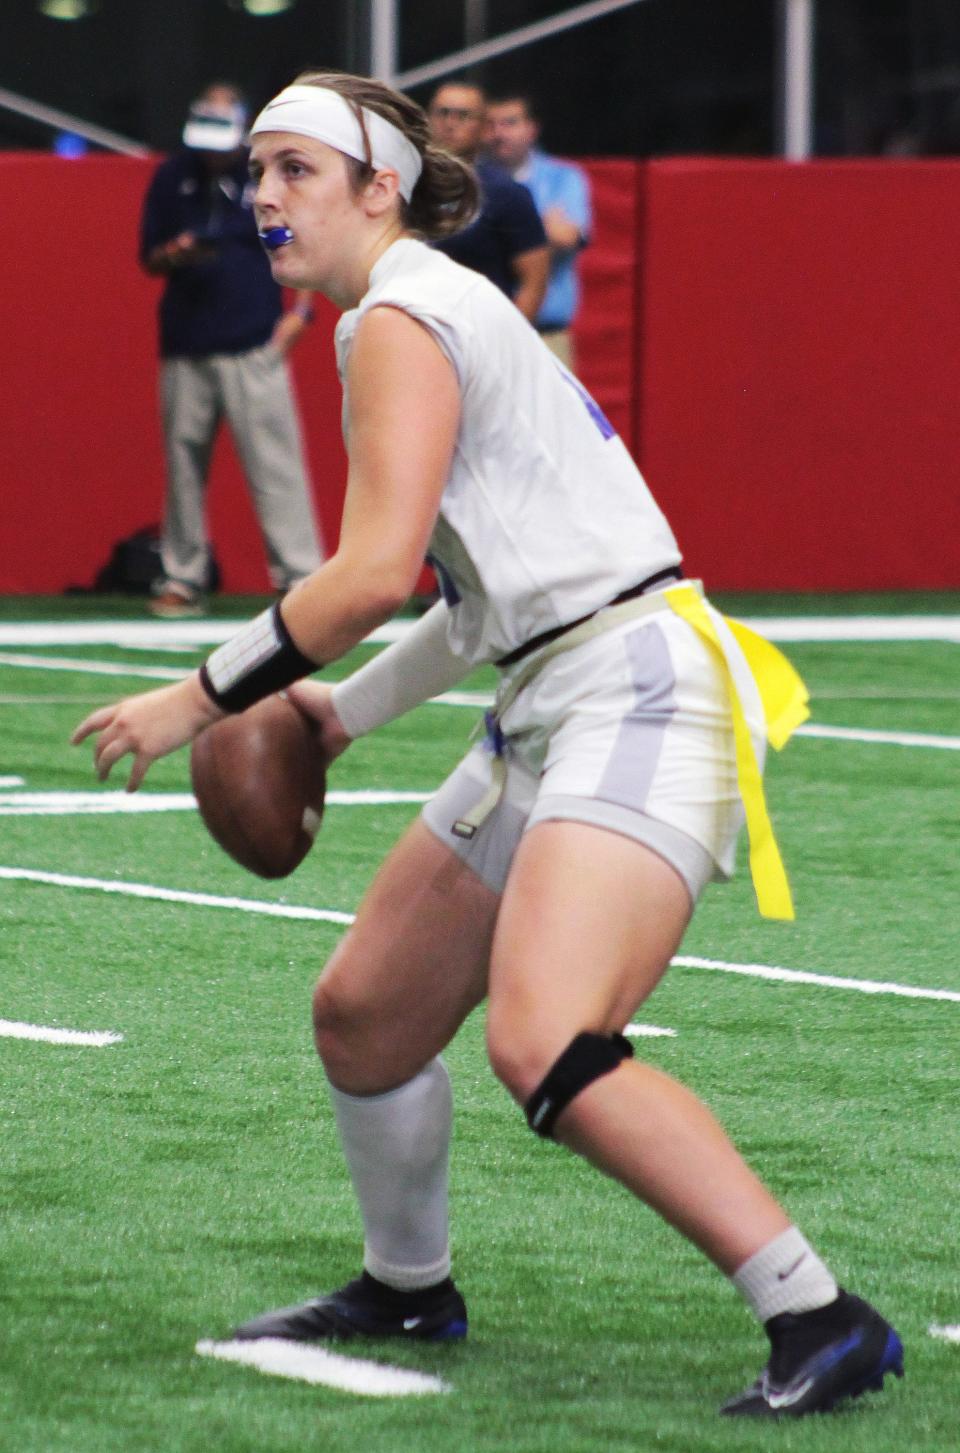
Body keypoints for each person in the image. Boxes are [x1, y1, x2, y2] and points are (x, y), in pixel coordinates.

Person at [74, 71, 903, 1419]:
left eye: (295, 170)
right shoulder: (412, 311)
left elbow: (366, 576)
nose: (265, 197)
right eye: (259, 173)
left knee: (550, 1038)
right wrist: (339, 715)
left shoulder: (401, 313)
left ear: (376, 187)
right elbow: (473, 597)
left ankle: (819, 1309)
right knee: (366, 1014)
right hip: (553, 687)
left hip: (635, 685)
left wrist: (202, 696)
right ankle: (410, 1285)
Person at [141, 82, 323, 618]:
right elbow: (148, 259)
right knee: (182, 465)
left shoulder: (265, 177)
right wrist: (174, 255)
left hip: (253, 343)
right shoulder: (174, 177)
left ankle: (300, 580)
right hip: (186, 344)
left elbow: (302, 242)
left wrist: (300, 315)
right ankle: (182, 576)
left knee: (276, 465)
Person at [426, 80, 549, 323]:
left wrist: (508, 341)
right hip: (415, 329)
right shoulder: (405, 184)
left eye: (463, 116)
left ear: (484, 129)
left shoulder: (506, 194)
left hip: (478, 331)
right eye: (442, 113)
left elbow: (534, 282)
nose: (450, 123)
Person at [487, 92, 592, 371]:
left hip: (546, 332)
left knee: (552, 414)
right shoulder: (474, 179)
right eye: (492, 124)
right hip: (486, 335)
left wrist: (494, 233)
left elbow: (567, 237)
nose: (499, 133)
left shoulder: (563, 177)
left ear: (531, 128)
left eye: (509, 123)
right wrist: (540, 227)